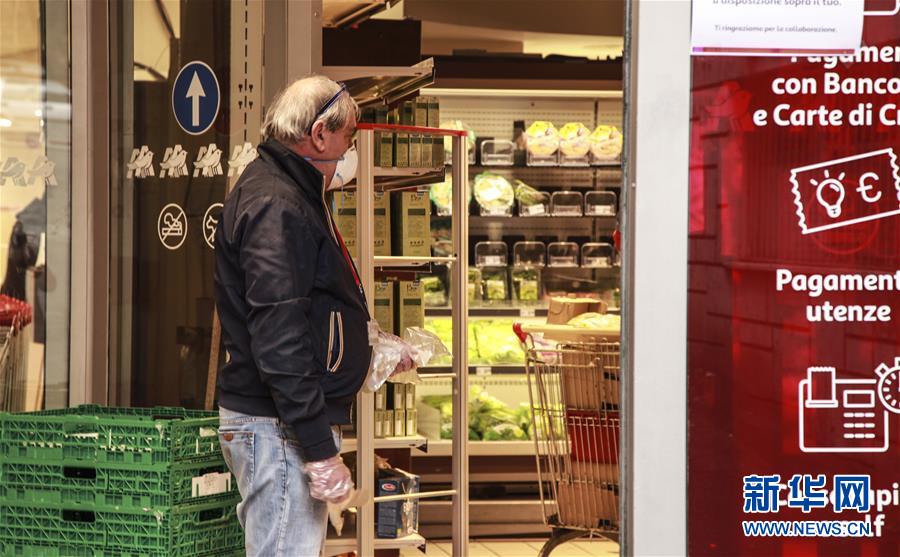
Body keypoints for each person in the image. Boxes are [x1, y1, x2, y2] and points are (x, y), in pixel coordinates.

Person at [214, 75, 380, 556]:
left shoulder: (290, 192)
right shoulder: (276, 203)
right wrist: (318, 447)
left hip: (279, 424)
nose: (349, 152)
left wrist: (370, 344)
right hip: (278, 427)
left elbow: (302, 310)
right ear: (320, 134)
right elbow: (279, 336)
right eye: (348, 137)